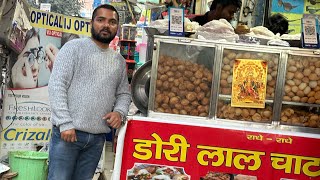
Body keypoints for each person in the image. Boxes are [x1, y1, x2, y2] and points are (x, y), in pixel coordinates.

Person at [47, 4, 131, 180]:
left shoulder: (118, 61)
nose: (106, 25)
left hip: (96, 140)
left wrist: (119, 112)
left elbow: (124, 93)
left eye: (112, 22)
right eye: (101, 20)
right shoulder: (73, 48)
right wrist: (65, 123)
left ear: (117, 27)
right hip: (68, 134)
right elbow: (57, 85)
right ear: (91, 23)